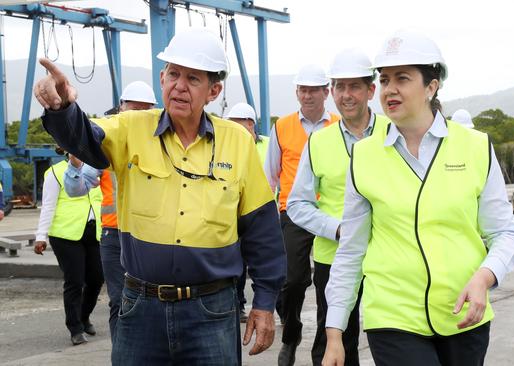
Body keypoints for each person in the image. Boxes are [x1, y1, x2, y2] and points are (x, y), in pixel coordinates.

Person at [34, 27, 286, 365]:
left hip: (211, 310)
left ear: (214, 90)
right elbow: (86, 137)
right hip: (141, 308)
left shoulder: (238, 143)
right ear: (162, 77)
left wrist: (265, 302)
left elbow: (262, 229)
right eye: (173, 74)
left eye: (193, 79)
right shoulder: (131, 127)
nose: (179, 86)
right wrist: (63, 107)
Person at [322, 29, 514, 366]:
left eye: (403, 78)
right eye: (384, 80)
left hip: (464, 313)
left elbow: (504, 234)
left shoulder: (475, 148)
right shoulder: (365, 156)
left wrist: (485, 276)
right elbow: (352, 249)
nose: (390, 89)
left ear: (432, 86)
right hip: (392, 316)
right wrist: (334, 332)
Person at [287, 48, 389, 366]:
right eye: (339, 87)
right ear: (331, 92)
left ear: (371, 90)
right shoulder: (318, 142)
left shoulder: (393, 133)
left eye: (354, 86)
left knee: (390, 336)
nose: (346, 95)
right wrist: (337, 228)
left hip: (387, 257)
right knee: (332, 340)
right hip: (334, 257)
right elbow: (297, 204)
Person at [62, 81, 156, 343]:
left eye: (144, 111)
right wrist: (74, 163)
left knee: (152, 301)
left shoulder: (163, 145)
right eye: (132, 110)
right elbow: (76, 188)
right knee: (120, 300)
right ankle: (123, 355)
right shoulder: (106, 146)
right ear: (121, 108)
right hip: (115, 236)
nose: (136, 117)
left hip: (152, 236)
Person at [264, 63, 340, 366]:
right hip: (293, 213)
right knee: (293, 281)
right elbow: (271, 174)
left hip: (329, 213)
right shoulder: (282, 126)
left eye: (313, 90)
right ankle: (291, 336)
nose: (307, 95)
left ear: (326, 92)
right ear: (297, 92)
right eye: (302, 89)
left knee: (328, 285)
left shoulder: (337, 125)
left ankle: (321, 350)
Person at [33, 151, 104, 346]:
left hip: (94, 231)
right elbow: (48, 206)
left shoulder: (95, 169)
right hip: (65, 234)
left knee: (97, 278)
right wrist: (41, 236)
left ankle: (83, 316)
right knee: (75, 280)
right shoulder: (55, 172)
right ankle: (75, 328)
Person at [224, 102, 270, 323]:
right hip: (235, 216)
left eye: (238, 125)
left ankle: (270, 304)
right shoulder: (227, 147)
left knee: (266, 263)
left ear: (251, 125)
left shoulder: (268, 146)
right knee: (238, 264)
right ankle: (238, 305)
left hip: (262, 214)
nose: (233, 129)